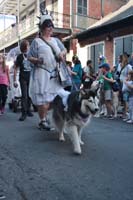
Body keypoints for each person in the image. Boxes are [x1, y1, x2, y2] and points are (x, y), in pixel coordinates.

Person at [28, 14, 69, 130]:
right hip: (42, 74)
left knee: (56, 97)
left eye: (52, 25)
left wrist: (62, 54)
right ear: (42, 28)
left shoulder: (56, 40)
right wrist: (38, 60)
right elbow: (29, 57)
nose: (50, 28)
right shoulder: (36, 42)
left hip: (55, 73)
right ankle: (42, 120)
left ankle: (45, 117)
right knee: (43, 99)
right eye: (47, 26)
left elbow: (64, 49)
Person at [14, 40, 33, 121]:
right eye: (28, 45)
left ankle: (28, 110)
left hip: (31, 77)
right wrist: (15, 80)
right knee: (24, 96)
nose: (28, 47)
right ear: (24, 47)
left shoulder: (32, 55)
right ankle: (23, 113)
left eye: (28, 45)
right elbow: (16, 68)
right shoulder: (20, 57)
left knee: (29, 95)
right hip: (23, 78)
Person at [119, 52, 132, 119]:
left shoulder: (128, 66)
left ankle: (128, 115)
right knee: (124, 100)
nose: (122, 59)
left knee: (126, 100)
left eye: (124, 57)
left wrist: (126, 81)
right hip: (122, 84)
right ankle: (125, 114)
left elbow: (131, 74)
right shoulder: (123, 66)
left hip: (126, 85)